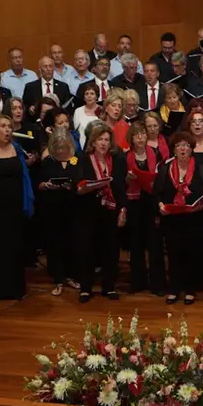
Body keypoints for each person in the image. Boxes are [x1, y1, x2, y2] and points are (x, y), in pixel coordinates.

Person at [0, 114, 34, 302]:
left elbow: (23, 177)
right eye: (3, 126)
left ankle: (15, 289)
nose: (8, 130)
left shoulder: (16, 149)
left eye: (10, 127)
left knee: (15, 247)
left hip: (14, 207)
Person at [155, 131, 203, 305]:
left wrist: (202, 205)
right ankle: (173, 289)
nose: (183, 149)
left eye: (186, 145)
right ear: (174, 149)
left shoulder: (201, 169)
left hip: (194, 219)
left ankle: (190, 289)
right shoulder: (165, 169)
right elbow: (157, 193)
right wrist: (160, 206)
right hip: (172, 219)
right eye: (179, 145)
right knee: (173, 254)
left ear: (191, 149)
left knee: (191, 255)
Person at [75, 123, 127, 303]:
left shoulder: (117, 160)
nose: (104, 143)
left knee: (111, 249)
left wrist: (123, 209)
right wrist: (89, 187)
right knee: (87, 249)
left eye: (107, 140)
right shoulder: (84, 159)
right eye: (100, 140)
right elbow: (78, 186)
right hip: (89, 210)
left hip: (110, 211)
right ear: (93, 142)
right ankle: (85, 288)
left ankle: (109, 287)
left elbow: (121, 187)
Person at [36, 127, 80, 296]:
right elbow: (38, 184)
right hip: (53, 208)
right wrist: (48, 185)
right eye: (58, 147)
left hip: (73, 207)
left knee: (72, 242)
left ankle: (71, 275)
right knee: (55, 244)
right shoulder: (48, 162)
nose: (61, 150)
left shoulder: (76, 160)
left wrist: (73, 185)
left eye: (64, 146)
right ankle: (58, 278)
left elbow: (82, 181)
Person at [125, 121, 165, 295]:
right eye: (137, 134)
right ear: (131, 138)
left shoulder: (155, 153)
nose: (141, 137)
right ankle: (137, 282)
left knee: (154, 243)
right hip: (134, 203)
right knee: (136, 243)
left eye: (143, 134)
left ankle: (158, 284)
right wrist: (128, 178)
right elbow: (121, 182)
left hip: (151, 201)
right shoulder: (124, 156)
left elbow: (161, 178)